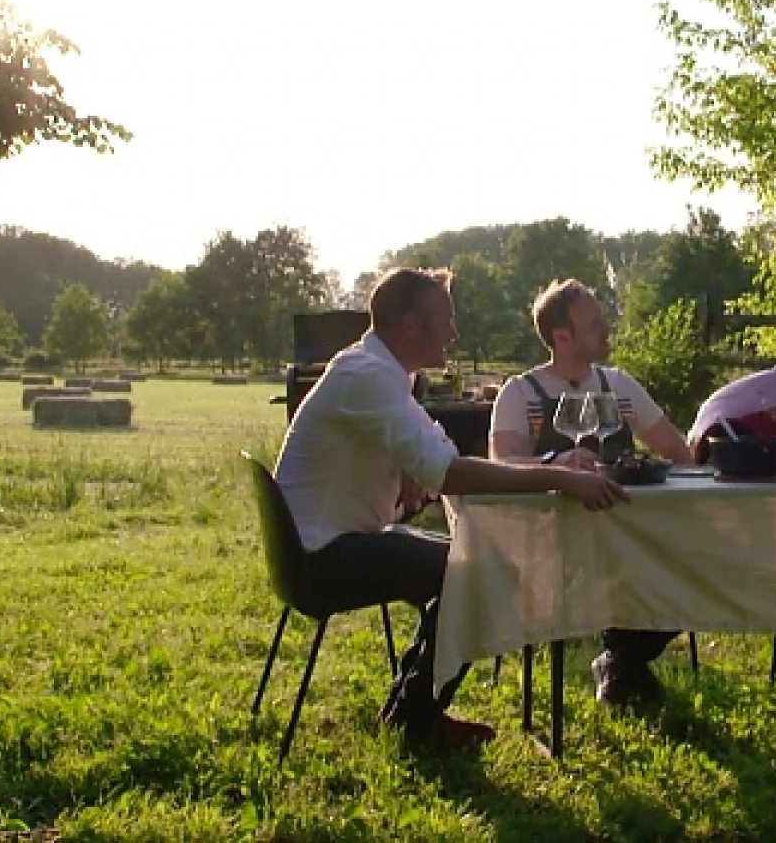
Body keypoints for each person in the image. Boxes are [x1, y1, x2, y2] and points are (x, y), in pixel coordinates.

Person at [274, 267, 629, 753]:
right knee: (480, 574)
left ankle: (413, 707)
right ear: (411, 327)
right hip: (322, 557)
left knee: (474, 566)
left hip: (322, 543)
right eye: (447, 320)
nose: (455, 333)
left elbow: (434, 453)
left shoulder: (375, 369)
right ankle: (415, 718)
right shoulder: (369, 376)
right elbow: (450, 472)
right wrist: (560, 477)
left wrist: (410, 469)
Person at [489, 278, 697, 706]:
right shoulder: (521, 394)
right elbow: (502, 466)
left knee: (695, 562)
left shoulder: (618, 386)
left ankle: (621, 658)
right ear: (562, 338)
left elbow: (675, 449)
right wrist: (554, 465)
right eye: (595, 323)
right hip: (555, 542)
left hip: (632, 535)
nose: (607, 329)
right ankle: (624, 661)